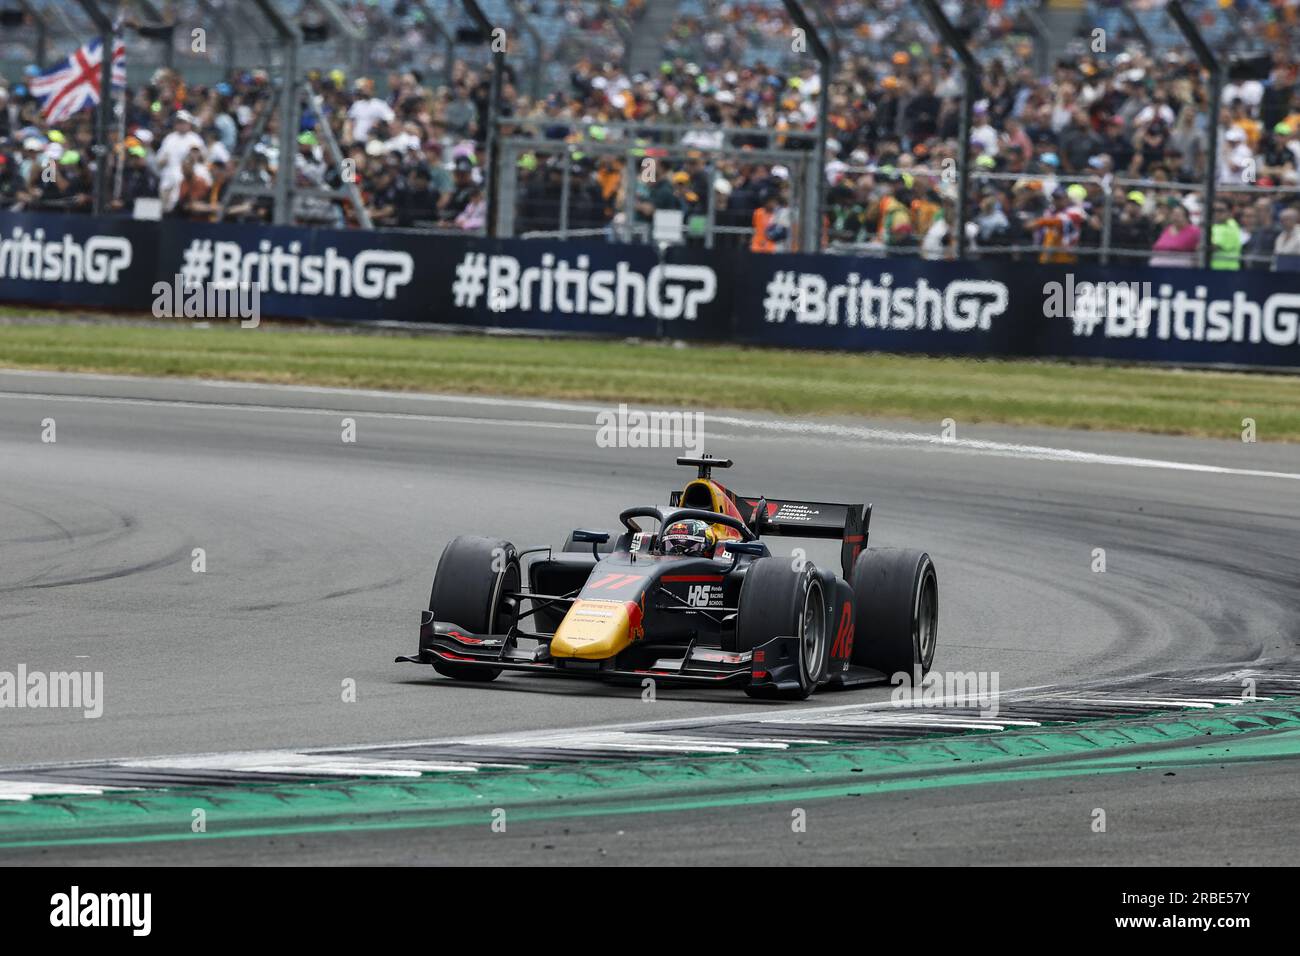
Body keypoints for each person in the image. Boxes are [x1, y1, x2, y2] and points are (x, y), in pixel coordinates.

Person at [1150, 203, 1200, 268]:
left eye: (1178, 215)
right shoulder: (1167, 229)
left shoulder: (1194, 231)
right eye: (1173, 214)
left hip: (1180, 266)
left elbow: (1199, 250)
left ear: (1186, 217)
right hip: (1158, 265)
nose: (1175, 217)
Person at [1209, 200, 1242, 270]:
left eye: (1220, 210)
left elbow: (1214, 246)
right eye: (1214, 210)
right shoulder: (1213, 226)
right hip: (1212, 269)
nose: (1216, 213)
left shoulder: (1232, 226)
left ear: (1229, 212)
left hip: (1228, 270)